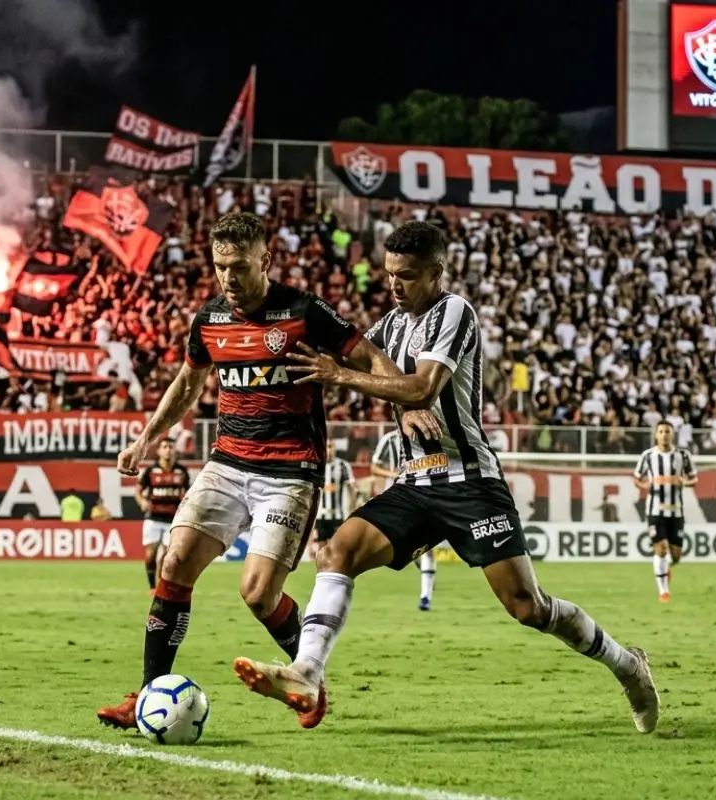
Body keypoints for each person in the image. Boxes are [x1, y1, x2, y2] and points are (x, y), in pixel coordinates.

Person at [232, 221, 660, 734]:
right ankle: (307, 671)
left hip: (470, 482)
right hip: (416, 482)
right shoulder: (390, 326)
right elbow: (384, 376)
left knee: (527, 606)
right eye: (390, 274)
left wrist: (356, 380)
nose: (394, 285)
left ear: (437, 273)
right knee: (336, 551)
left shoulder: (454, 312)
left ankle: (627, 665)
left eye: (407, 276)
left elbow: (420, 387)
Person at [97, 212, 438, 731]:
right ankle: (146, 694)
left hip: (289, 472)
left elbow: (370, 355)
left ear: (265, 260)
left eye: (238, 266)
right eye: (219, 268)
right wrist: (148, 437)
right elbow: (189, 383)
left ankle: (308, 679)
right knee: (174, 562)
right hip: (227, 463)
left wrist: (408, 404)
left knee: (257, 594)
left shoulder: (303, 312)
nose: (228, 279)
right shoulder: (209, 319)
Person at [632, 422, 698, 602]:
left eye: (667, 431)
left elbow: (694, 478)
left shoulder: (683, 455)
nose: (664, 435)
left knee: (675, 555)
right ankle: (663, 592)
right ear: (656, 435)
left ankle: (666, 569)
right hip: (655, 511)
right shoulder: (648, 456)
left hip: (676, 511)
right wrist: (644, 485)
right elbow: (636, 478)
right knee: (660, 549)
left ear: (672, 435)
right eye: (661, 431)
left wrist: (683, 482)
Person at [374, 428, 436, 610]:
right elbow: (374, 466)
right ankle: (423, 568)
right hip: (396, 500)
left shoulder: (427, 436)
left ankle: (426, 597)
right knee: (405, 547)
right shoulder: (389, 439)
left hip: (423, 497)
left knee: (428, 547)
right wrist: (392, 475)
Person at [136, 437, 192, 592]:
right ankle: (152, 586)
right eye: (165, 446)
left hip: (172, 519)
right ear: (159, 451)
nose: (168, 449)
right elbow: (138, 490)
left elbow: (187, 493)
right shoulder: (151, 470)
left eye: (171, 447)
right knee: (151, 554)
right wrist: (142, 501)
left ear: (175, 451)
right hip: (153, 517)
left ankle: (161, 586)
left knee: (167, 556)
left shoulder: (182, 471)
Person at [310, 448, 358, 560]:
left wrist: (352, 507)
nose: (330, 450)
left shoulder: (342, 465)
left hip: (337, 515)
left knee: (336, 548)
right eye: (327, 446)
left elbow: (352, 487)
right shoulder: (316, 465)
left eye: (332, 446)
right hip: (320, 515)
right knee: (320, 548)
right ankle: (321, 572)